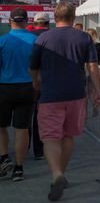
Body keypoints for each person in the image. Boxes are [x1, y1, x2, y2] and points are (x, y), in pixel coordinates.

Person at [29, 2, 100, 201]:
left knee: (50, 138)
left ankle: (56, 174)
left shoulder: (43, 38)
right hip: (76, 95)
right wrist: (98, 91)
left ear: (55, 17)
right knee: (68, 136)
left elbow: (33, 66)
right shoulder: (84, 37)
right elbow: (93, 67)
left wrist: (35, 81)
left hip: (50, 95)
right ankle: (61, 172)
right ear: (73, 17)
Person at [0, 8, 37, 182]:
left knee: (1, 126)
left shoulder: (2, 41)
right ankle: (19, 168)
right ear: (27, 21)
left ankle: (4, 157)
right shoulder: (35, 41)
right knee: (22, 129)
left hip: (4, 87)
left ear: (10, 21)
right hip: (27, 88)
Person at [27, 12, 50, 162]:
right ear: (48, 23)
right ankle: (39, 151)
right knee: (40, 118)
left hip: (27, 81)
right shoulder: (51, 37)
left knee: (25, 117)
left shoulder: (27, 37)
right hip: (46, 83)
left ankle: (23, 148)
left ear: (34, 23)